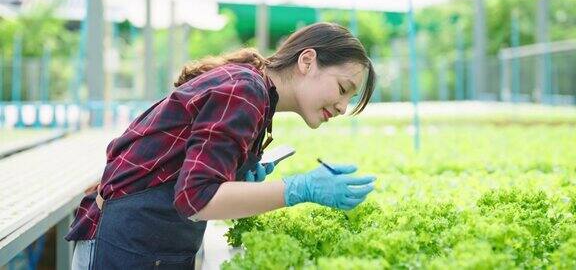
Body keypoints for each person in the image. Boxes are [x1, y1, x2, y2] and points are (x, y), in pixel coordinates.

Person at [67, 22, 377, 269]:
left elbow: (188, 180)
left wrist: (235, 179)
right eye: (343, 89)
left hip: (147, 244)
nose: (342, 107)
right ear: (307, 61)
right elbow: (197, 198)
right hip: (128, 247)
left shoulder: (254, 90)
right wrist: (299, 188)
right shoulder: (245, 92)